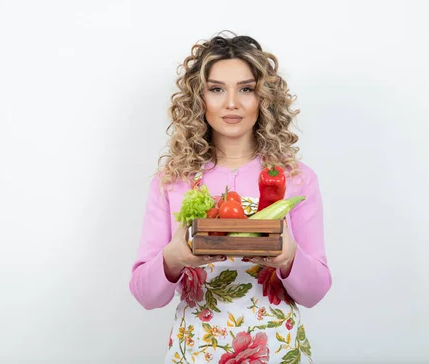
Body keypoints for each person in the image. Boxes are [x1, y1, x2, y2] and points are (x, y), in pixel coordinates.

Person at [129, 31, 332, 363]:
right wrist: (173, 257)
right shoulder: (172, 181)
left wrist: (289, 256)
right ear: (199, 99)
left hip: (276, 351)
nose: (232, 103)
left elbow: (315, 292)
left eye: (246, 89)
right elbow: (145, 295)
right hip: (196, 351)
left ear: (263, 99)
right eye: (217, 89)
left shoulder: (296, 177)